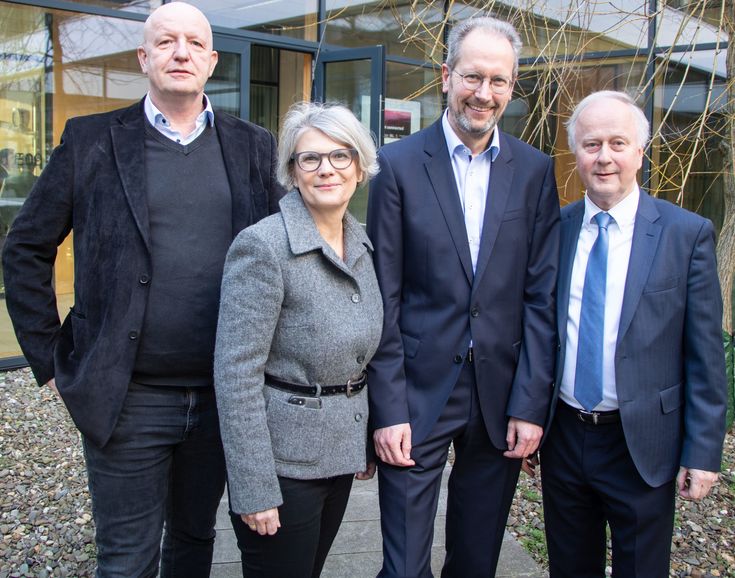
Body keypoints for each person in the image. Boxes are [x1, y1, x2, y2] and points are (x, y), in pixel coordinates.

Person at [2, 3, 283, 576]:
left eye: (193, 43)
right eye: (166, 41)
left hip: (219, 396)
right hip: (127, 397)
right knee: (126, 559)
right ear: (144, 57)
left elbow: (285, 253)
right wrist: (51, 359)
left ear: (210, 60)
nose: (180, 52)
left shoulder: (255, 146)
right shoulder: (91, 140)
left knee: (192, 540)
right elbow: (24, 248)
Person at [366, 15, 560, 578]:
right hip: (419, 393)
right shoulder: (397, 166)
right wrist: (389, 407)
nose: (485, 93)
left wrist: (529, 402)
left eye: (499, 81)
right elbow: (386, 296)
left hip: (500, 397)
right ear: (446, 76)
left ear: (512, 86)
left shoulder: (535, 171)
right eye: (474, 77)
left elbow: (540, 297)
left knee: (476, 561)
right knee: (403, 567)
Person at [540, 90, 728, 577]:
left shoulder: (686, 235)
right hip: (564, 438)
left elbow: (704, 355)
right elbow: (538, 332)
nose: (604, 157)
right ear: (576, 153)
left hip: (643, 441)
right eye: (591, 144)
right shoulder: (553, 232)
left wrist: (702, 453)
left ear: (640, 152)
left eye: (618, 143)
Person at [214, 101, 383, 578]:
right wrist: (254, 487)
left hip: (337, 458)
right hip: (282, 466)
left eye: (340, 156)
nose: (326, 169)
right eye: (310, 158)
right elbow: (236, 374)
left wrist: (361, 440)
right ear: (293, 171)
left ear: (360, 166)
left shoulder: (364, 246)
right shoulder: (262, 247)